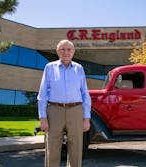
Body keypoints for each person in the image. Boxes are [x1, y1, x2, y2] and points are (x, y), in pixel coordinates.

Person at [37, 39, 91, 167]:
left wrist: (87, 117)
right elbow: (43, 93)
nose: (66, 52)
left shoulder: (79, 69)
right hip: (54, 110)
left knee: (76, 147)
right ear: (57, 51)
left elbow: (85, 94)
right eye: (62, 49)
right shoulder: (49, 68)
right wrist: (43, 117)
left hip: (76, 110)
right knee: (52, 147)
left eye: (69, 49)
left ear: (73, 52)